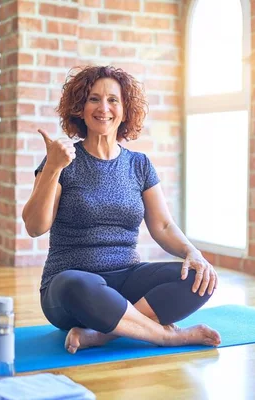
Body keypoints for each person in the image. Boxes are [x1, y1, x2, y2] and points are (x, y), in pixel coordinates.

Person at [22, 65, 221, 354]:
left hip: (126, 279)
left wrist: (193, 252)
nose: (104, 108)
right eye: (93, 99)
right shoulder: (62, 161)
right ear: (80, 107)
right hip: (72, 289)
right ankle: (166, 337)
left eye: (113, 100)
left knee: (198, 277)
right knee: (74, 282)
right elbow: (34, 226)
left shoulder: (139, 165)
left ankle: (102, 335)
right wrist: (52, 168)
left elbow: (163, 226)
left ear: (125, 109)